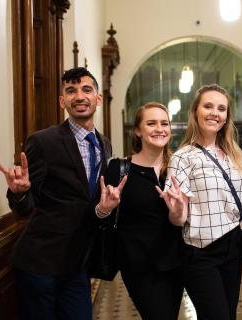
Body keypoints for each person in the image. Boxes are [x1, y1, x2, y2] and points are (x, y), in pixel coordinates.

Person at [0, 67, 112, 319]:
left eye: (86, 89)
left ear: (98, 98)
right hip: (40, 264)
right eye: (71, 91)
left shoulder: (104, 143)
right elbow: (24, 209)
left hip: (77, 263)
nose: (79, 96)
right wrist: (20, 192)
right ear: (62, 101)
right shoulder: (43, 141)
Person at [157, 84, 242, 320]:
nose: (214, 113)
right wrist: (176, 209)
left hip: (233, 247)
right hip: (201, 253)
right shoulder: (182, 157)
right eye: (208, 106)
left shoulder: (234, 154)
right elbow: (178, 220)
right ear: (195, 111)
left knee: (229, 315)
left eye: (221, 108)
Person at [95, 102, 183, 319]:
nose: (159, 129)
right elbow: (98, 216)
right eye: (151, 123)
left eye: (164, 123)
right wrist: (104, 209)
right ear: (137, 130)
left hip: (177, 262)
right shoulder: (119, 168)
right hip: (140, 267)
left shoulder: (177, 167)